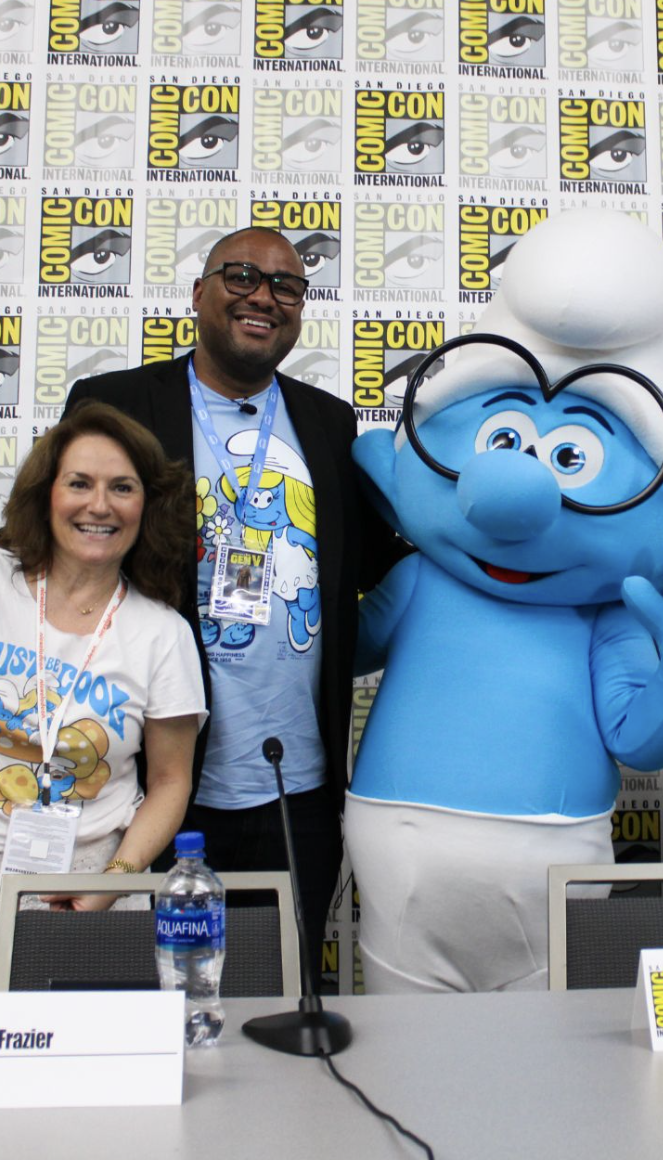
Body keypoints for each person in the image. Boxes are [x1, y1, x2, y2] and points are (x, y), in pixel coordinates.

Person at [63, 227, 398, 965]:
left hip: (297, 784)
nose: (264, 296)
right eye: (242, 275)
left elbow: (373, 565)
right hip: (156, 787)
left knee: (283, 985)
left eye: (286, 285)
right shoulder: (116, 402)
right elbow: (63, 544)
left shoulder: (330, 423)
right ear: (199, 294)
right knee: (149, 995)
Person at [0, 401, 206, 909]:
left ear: (147, 505)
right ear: (45, 495)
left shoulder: (164, 634)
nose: (99, 506)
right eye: (79, 483)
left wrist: (116, 879)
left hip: (93, 891)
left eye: (122, 487)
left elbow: (169, 781)